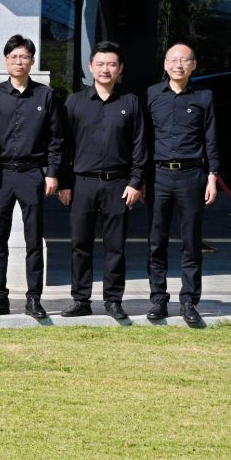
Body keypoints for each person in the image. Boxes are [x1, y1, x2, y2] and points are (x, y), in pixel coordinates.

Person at [58, 41, 148, 321]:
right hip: (82, 184)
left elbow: (139, 145)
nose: (105, 69)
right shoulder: (75, 102)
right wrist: (64, 182)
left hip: (118, 185)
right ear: (90, 67)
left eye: (111, 64)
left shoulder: (130, 102)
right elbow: (64, 145)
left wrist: (135, 181)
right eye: (100, 64)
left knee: (115, 246)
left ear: (120, 69)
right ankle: (80, 299)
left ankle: (113, 300)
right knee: (80, 245)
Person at [0, 35, 64, 320]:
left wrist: (52, 173)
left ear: (32, 61)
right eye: (14, 57)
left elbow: (56, 139)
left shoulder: (45, 95)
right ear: (6, 61)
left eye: (24, 57)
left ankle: (33, 298)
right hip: (2, 173)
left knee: (33, 239)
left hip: (33, 173)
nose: (19, 62)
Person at [145, 43, 218, 328]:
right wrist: (139, 179)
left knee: (191, 242)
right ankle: (158, 300)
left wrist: (212, 176)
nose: (178, 65)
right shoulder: (152, 94)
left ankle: (189, 301)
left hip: (191, 175)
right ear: (165, 64)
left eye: (184, 60)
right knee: (156, 241)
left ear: (193, 65)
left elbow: (211, 138)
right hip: (158, 176)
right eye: (173, 60)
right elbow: (144, 139)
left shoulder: (204, 96)